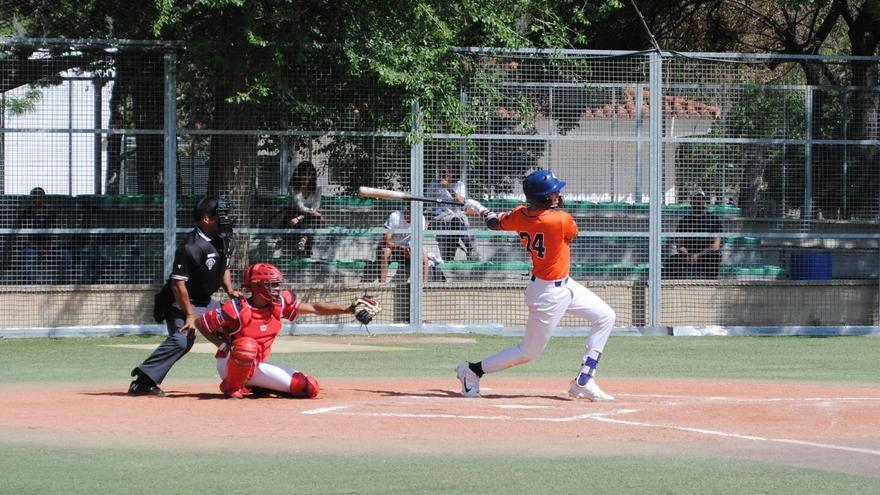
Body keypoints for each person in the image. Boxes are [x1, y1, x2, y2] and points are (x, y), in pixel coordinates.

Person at [456, 169, 617, 401]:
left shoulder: (521, 215)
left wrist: (479, 208)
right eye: (554, 193)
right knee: (528, 352)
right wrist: (480, 208)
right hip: (548, 294)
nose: (558, 195)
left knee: (606, 316)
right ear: (543, 198)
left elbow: (494, 223)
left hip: (565, 285)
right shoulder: (559, 220)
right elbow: (572, 232)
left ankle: (584, 380)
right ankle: (471, 371)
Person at [196, 262, 379, 399]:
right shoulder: (237, 308)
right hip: (231, 364)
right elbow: (201, 323)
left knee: (309, 388)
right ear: (258, 285)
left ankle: (259, 386)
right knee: (246, 346)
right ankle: (232, 388)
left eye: (276, 284)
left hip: (256, 365)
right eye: (271, 284)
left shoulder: (279, 304)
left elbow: (315, 308)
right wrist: (221, 345)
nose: (276, 289)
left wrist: (347, 309)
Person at [128, 197, 240, 396]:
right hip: (181, 302)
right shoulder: (191, 246)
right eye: (221, 215)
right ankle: (143, 381)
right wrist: (190, 316)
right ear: (206, 219)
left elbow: (224, 266)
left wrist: (230, 290)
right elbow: (177, 284)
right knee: (183, 340)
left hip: (206, 300)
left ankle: (246, 377)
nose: (226, 219)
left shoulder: (225, 239)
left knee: (239, 325)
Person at [14, 187, 73, 284]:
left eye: (41, 197)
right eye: (36, 197)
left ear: (44, 198)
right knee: (29, 254)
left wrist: (49, 248)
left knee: (66, 254)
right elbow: (23, 236)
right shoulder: (25, 213)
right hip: (32, 246)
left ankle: (65, 283)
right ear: (32, 199)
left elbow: (56, 234)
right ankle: (29, 283)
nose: (38, 200)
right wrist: (38, 249)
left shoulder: (51, 213)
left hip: (50, 246)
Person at [665, 190, 722, 279]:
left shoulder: (714, 220)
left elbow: (716, 245)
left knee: (714, 258)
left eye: (701, 199)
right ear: (692, 202)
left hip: (705, 255)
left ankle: (710, 285)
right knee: (671, 261)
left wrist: (698, 255)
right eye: (696, 199)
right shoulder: (684, 221)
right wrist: (688, 255)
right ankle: (676, 286)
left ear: (705, 201)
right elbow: (680, 245)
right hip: (688, 255)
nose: (699, 202)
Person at [427, 166, 479, 261]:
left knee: (458, 220)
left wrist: (448, 188)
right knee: (458, 220)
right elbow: (427, 203)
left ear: (452, 173)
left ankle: (470, 250)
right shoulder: (434, 184)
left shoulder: (459, 184)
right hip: (440, 216)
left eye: (447, 172)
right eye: (442, 172)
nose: (444, 175)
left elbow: (461, 202)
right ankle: (471, 249)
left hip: (456, 216)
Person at [376, 207, 429, 284]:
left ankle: (424, 287)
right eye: (410, 214)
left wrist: (412, 249)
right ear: (406, 210)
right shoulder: (395, 216)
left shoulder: (421, 218)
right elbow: (386, 240)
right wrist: (399, 247)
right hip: (394, 248)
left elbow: (418, 241)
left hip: (409, 248)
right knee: (385, 252)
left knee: (424, 256)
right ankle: (381, 285)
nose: (411, 218)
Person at [285, 160, 324, 258]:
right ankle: (307, 247)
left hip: (304, 219)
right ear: (298, 175)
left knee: (313, 218)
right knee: (313, 217)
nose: (306, 177)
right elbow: (300, 207)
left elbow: (316, 207)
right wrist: (311, 212)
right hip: (294, 217)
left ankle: (302, 243)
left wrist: (311, 212)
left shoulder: (317, 189)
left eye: (309, 174)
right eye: (303, 174)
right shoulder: (293, 188)